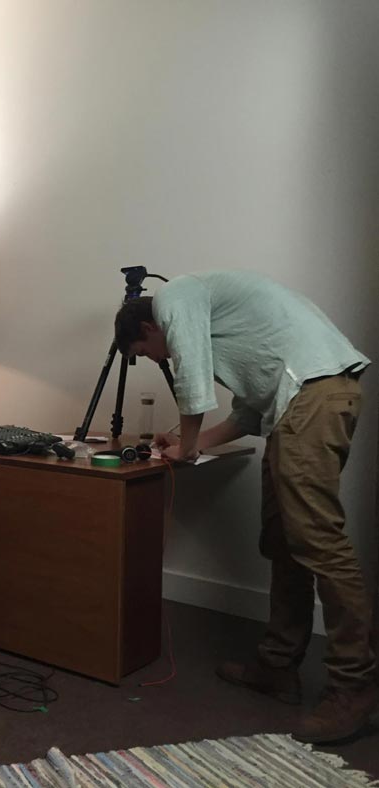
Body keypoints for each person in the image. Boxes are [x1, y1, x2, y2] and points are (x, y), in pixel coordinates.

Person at [114, 270, 375, 744]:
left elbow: (191, 374)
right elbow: (247, 414)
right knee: (283, 539)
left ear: (148, 329)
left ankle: (355, 687)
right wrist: (185, 440)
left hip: (313, 393)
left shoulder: (173, 299)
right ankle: (278, 666)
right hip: (298, 401)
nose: (160, 360)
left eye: (147, 354)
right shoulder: (217, 321)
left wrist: (187, 446)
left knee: (320, 541)